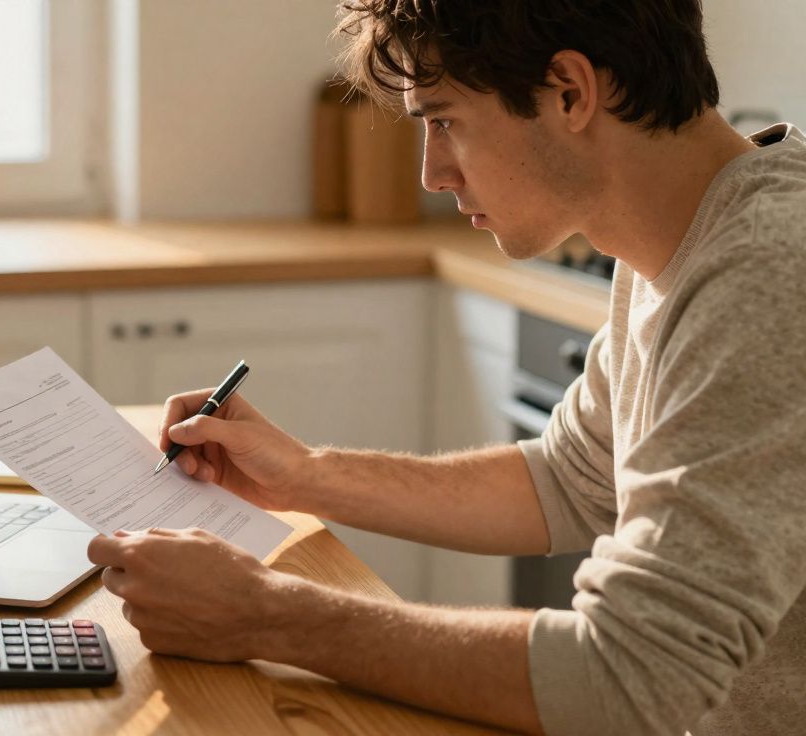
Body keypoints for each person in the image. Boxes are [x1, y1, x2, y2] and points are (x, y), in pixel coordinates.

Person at [86, 1, 806, 734]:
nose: (431, 173)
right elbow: (568, 481)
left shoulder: (769, 270)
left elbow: (628, 676)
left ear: (569, 91)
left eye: (444, 120)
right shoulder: (674, 241)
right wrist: (302, 474)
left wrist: (265, 615)